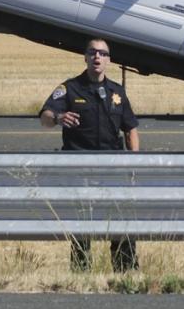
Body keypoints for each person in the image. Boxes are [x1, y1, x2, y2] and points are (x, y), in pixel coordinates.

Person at [39, 37, 141, 271]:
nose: (97, 57)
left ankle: (125, 270)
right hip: (80, 169)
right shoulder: (70, 88)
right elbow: (44, 118)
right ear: (85, 57)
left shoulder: (117, 92)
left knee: (120, 222)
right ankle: (82, 271)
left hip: (113, 170)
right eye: (92, 52)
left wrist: (135, 164)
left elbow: (131, 128)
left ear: (108, 60)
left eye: (102, 53)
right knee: (82, 224)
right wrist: (58, 118)